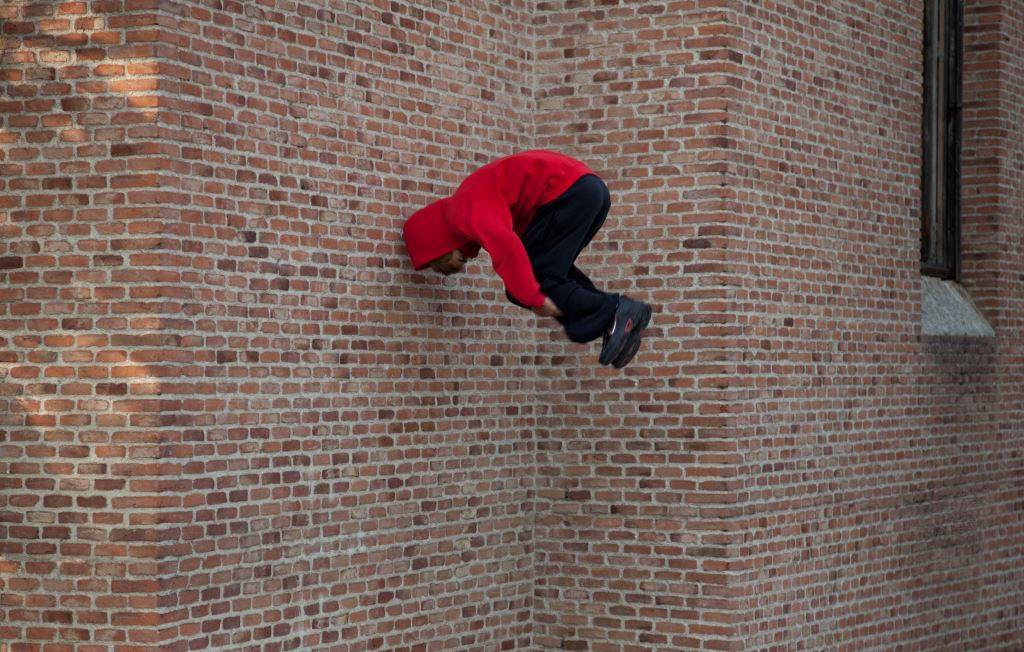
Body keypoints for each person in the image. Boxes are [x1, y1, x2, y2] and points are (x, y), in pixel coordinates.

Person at [402, 150, 652, 368]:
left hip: (569, 193)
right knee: (547, 276)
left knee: (532, 280)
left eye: (438, 263)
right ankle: (614, 322)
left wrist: (533, 297)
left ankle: (616, 310)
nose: (450, 267)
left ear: (434, 243)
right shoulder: (471, 204)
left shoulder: (462, 211)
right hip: (586, 191)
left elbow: (507, 247)